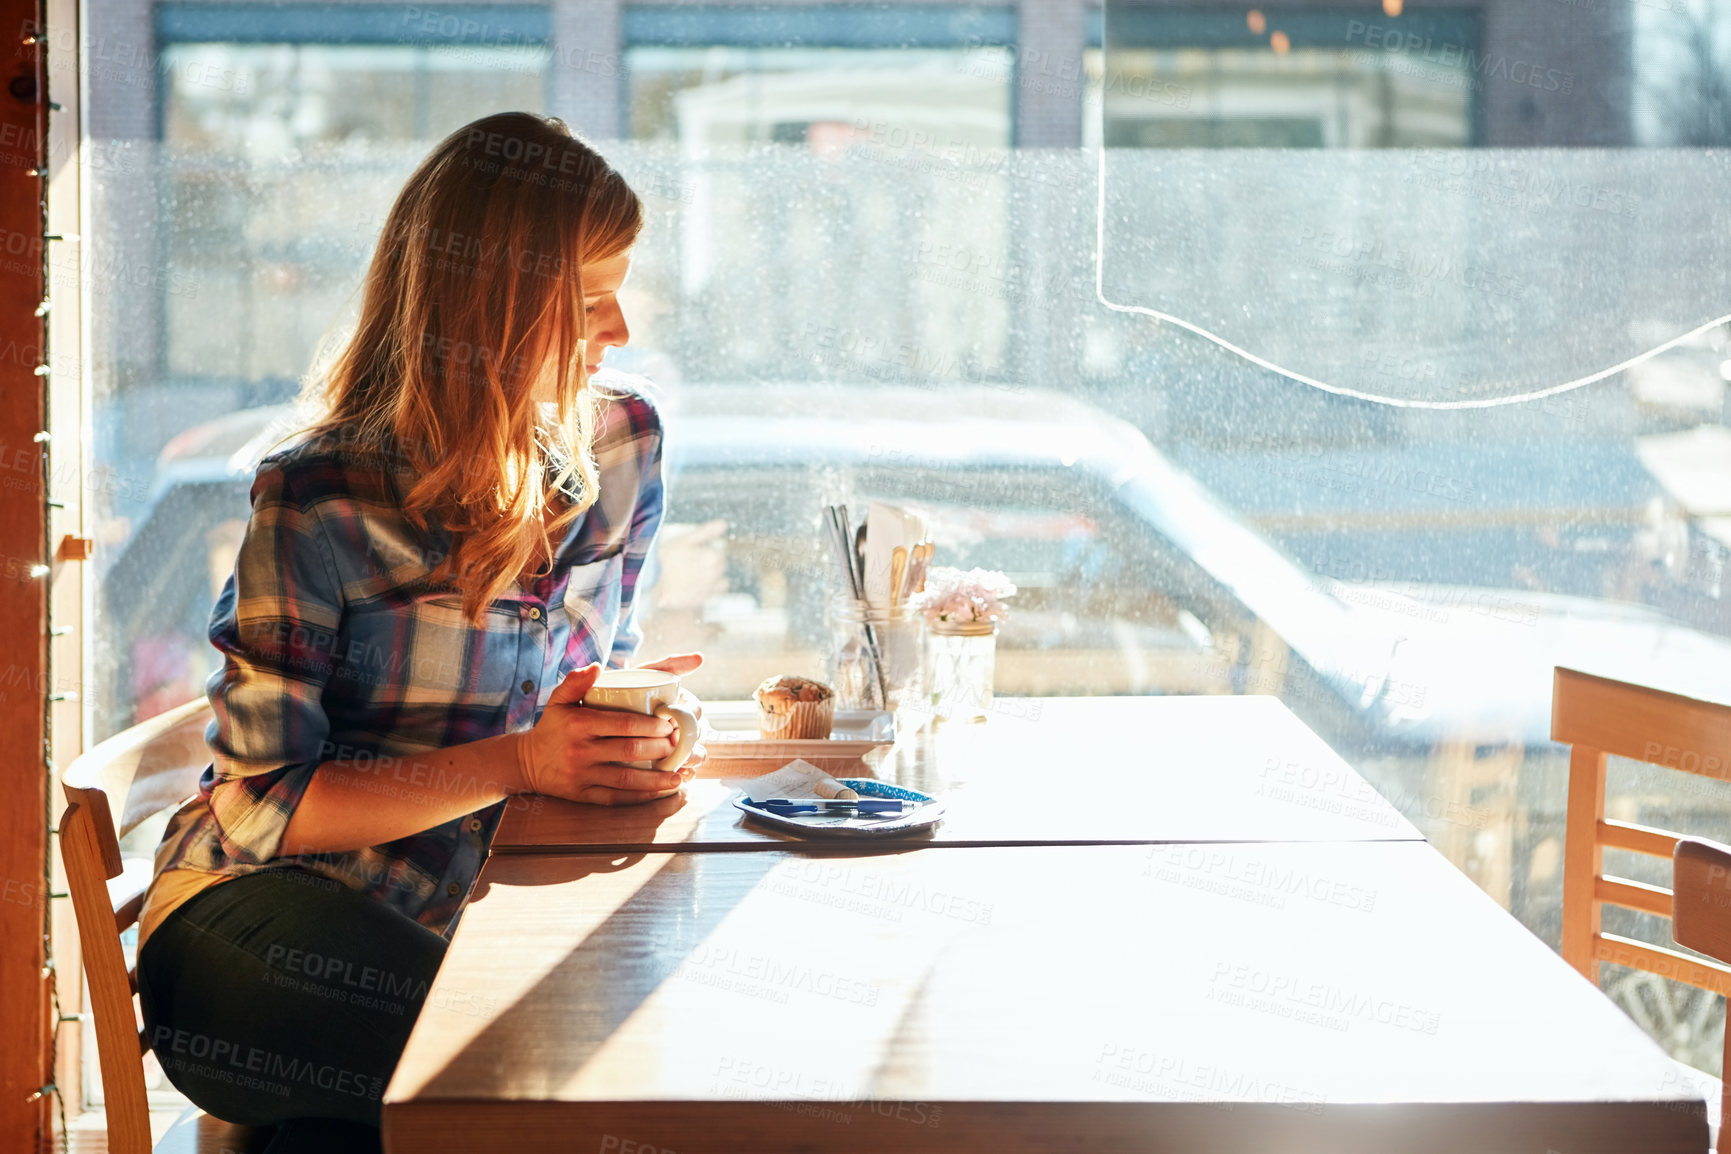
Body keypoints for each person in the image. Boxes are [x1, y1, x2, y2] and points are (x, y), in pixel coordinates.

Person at [134, 111, 705, 1154]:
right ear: (487, 310)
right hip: (260, 921)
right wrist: (522, 758)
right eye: (585, 301)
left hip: (462, 909)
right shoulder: (317, 495)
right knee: (537, 1071)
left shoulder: (624, 443)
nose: (618, 328)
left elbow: (577, 685)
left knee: (499, 1080)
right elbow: (262, 804)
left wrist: (633, 729)